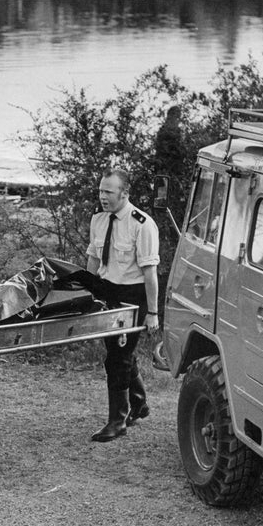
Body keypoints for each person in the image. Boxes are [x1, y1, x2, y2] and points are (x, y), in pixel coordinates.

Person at [86, 167, 160, 442]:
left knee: (117, 359)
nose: (103, 196)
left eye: (109, 192)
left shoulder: (142, 224)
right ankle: (138, 403)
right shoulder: (98, 218)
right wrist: (86, 291)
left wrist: (152, 313)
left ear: (124, 193)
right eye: (101, 190)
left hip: (133, 297)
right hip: (108, 292)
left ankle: (118, 421)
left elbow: (150, 273)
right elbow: (94, 258)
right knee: (119, 352)